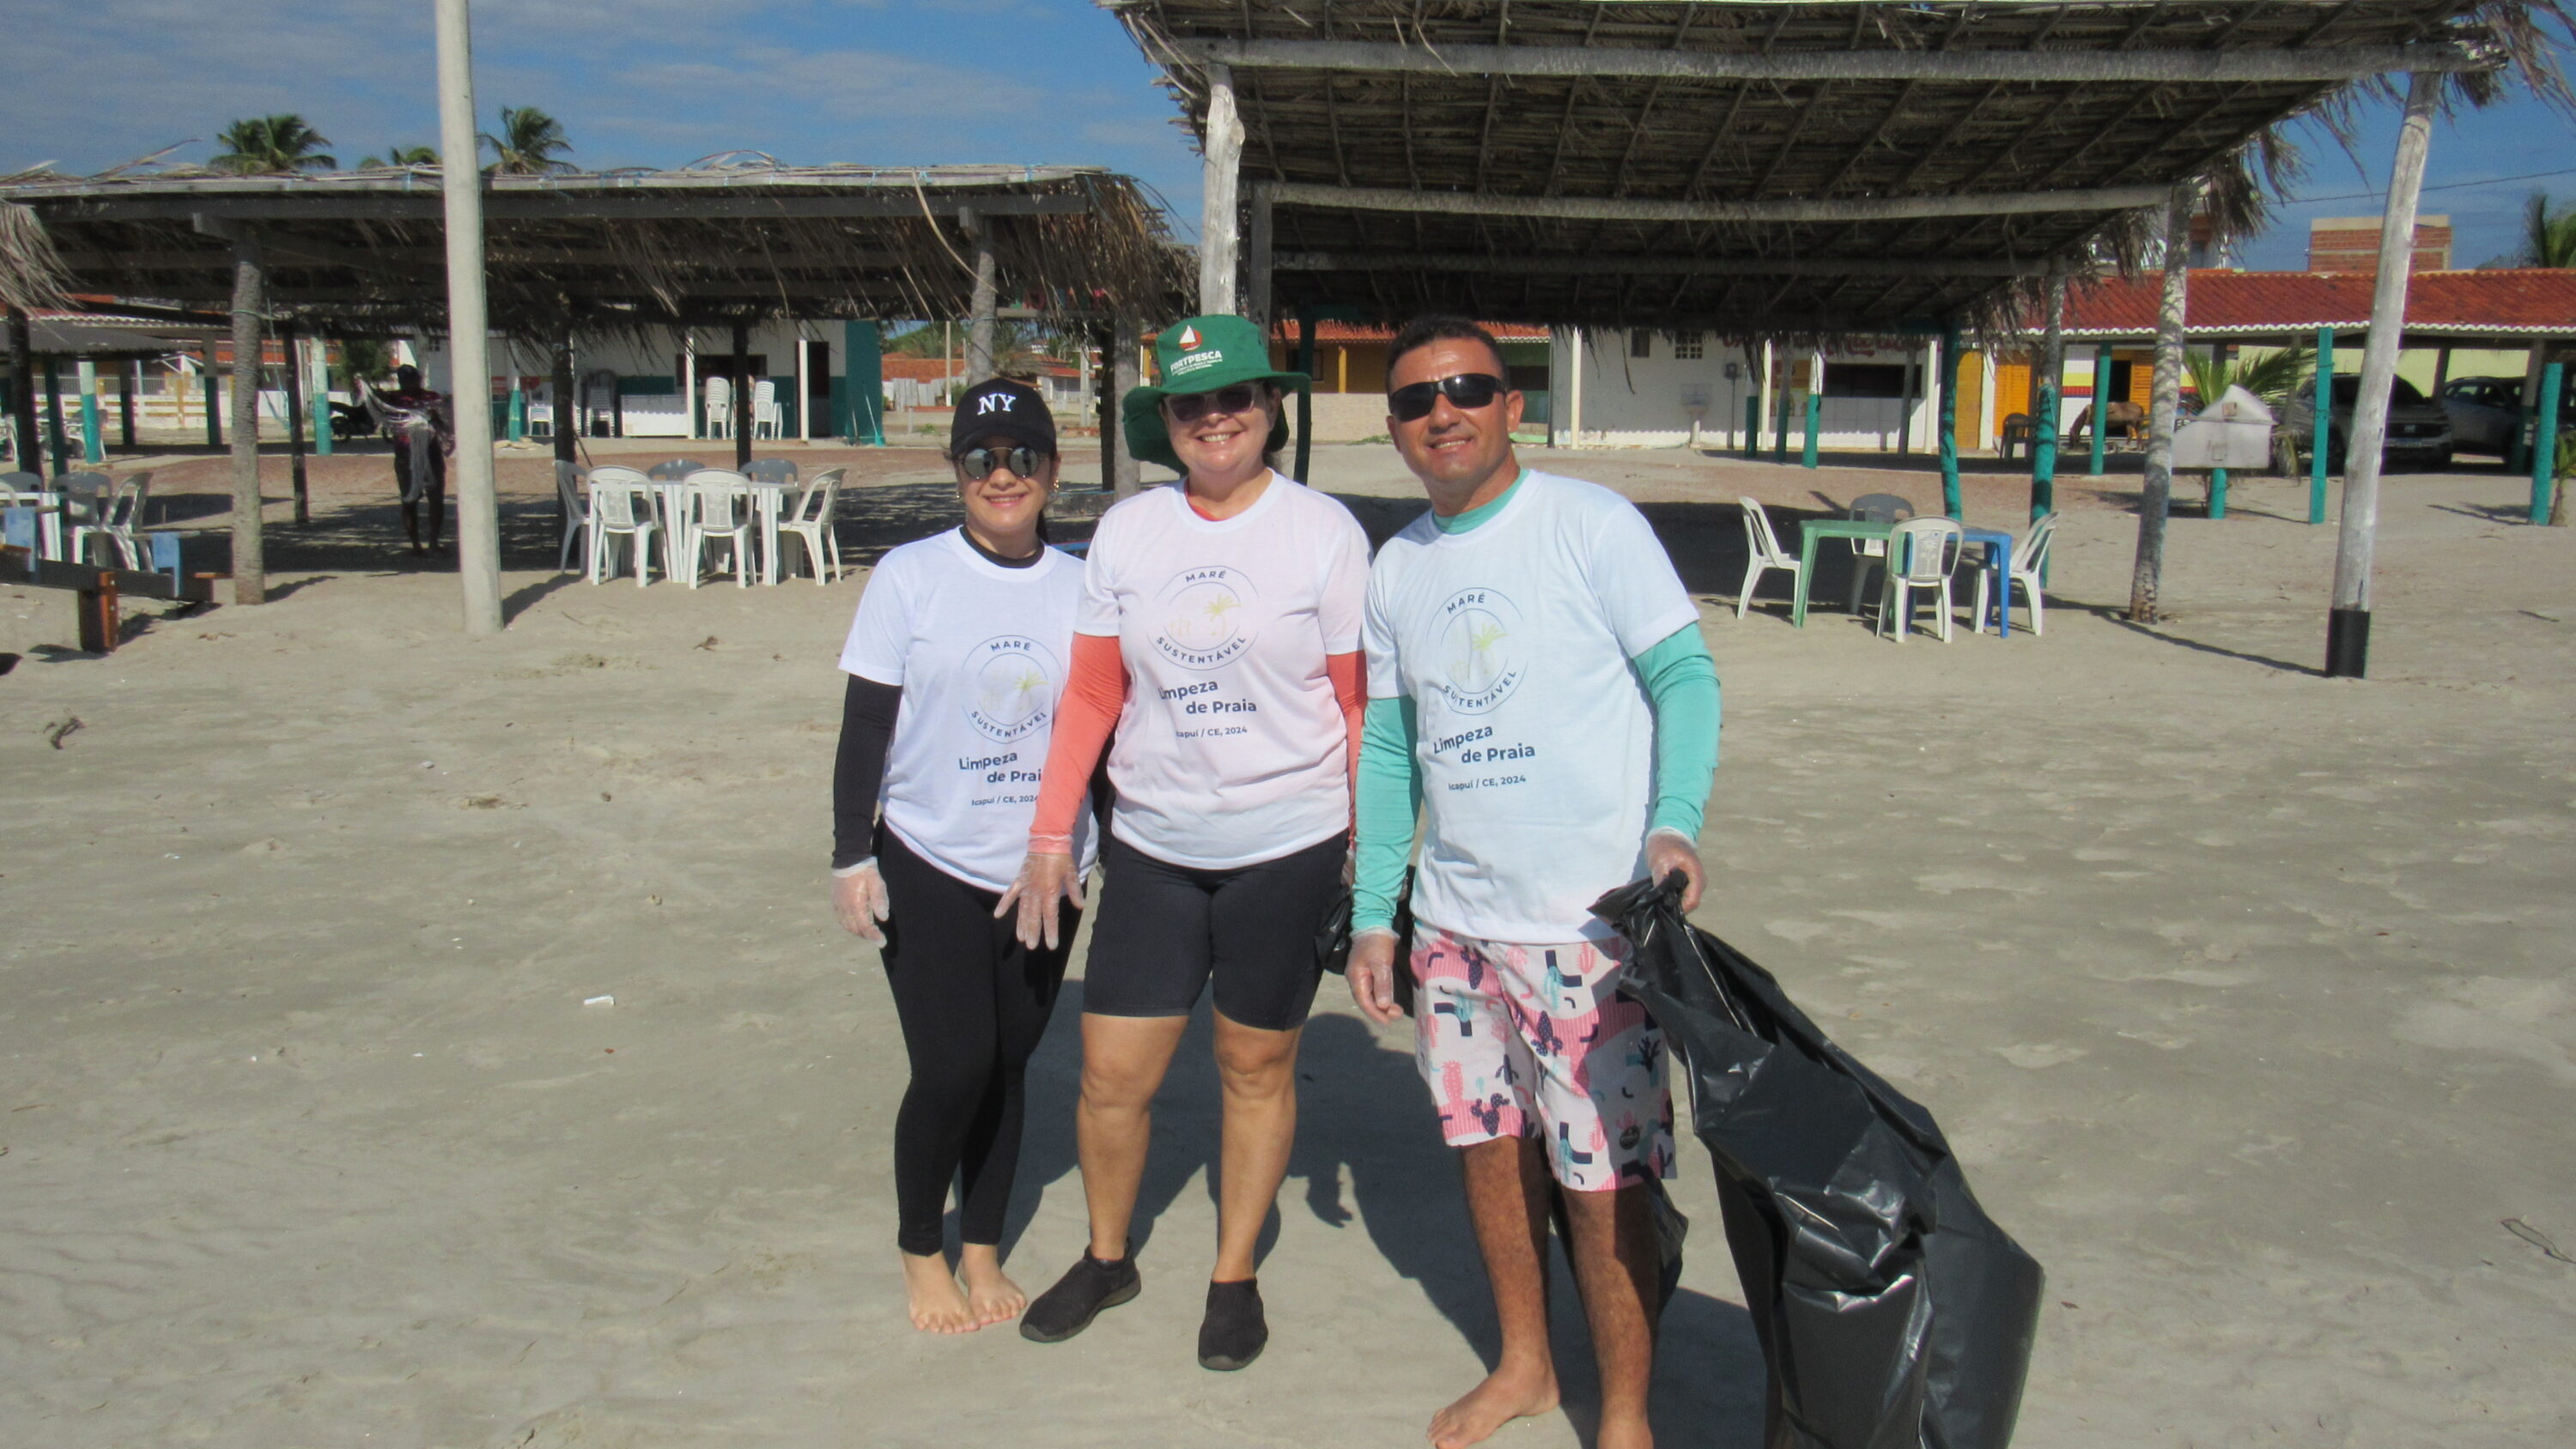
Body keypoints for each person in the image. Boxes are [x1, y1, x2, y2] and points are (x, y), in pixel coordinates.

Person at [1346, 318, 1721, 1449]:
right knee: (1488, 1150)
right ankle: (1524, 1365)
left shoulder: (1591, 525)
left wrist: (1675, 827)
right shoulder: (1398, 566)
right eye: (1416, 400)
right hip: (1455, 931)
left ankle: (1627, 1418)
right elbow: (1392, 755)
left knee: (1608, 1180)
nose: (1442, 412)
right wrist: (1376, 915)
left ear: (1514, 405)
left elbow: (1685, 679)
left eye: (1466, 389)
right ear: (1397, 428)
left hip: (1587, 932)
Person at [999, 313, 1369, 1372]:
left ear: (1270, 410)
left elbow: (1357, 706)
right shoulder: (1129, 531)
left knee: (1254, 1065)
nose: (1216, 418)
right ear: (1167, 420)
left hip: (1289, 842)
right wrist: (1048, 836)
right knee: (1113, 1074)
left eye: (1236, 398)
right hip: (1156, 843)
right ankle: (1109, 1255)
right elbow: (1091, 692)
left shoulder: (1324, 532)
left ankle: (1233, 1272)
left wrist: (1371, 863)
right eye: (1193, 402)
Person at [829, 379, 1098, 1334]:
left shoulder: (1083, 585)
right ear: (956, 472)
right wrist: (849, 853)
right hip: (931, 855)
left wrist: (1102, 852)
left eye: (1023, 456)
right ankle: (920, 1248)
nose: (1002, 474)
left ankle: (981, 1243)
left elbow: (1100, 728)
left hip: (1048, 867)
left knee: (1013, 1062)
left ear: (1052, 472)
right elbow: (867, 723)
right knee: (954, 1065)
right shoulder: (908, 574)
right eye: (981, 458)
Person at [370, 365, 452, 554]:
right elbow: (377, 410)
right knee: (409, 499)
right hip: (406, 454)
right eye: (405, 380)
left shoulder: (431, 398)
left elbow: (444, 424)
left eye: (412, 379)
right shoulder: (393, 399)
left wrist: (433, 417)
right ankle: (415, 544)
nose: (409, 383)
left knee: (436, 497)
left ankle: (433, 541)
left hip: (431, 452)